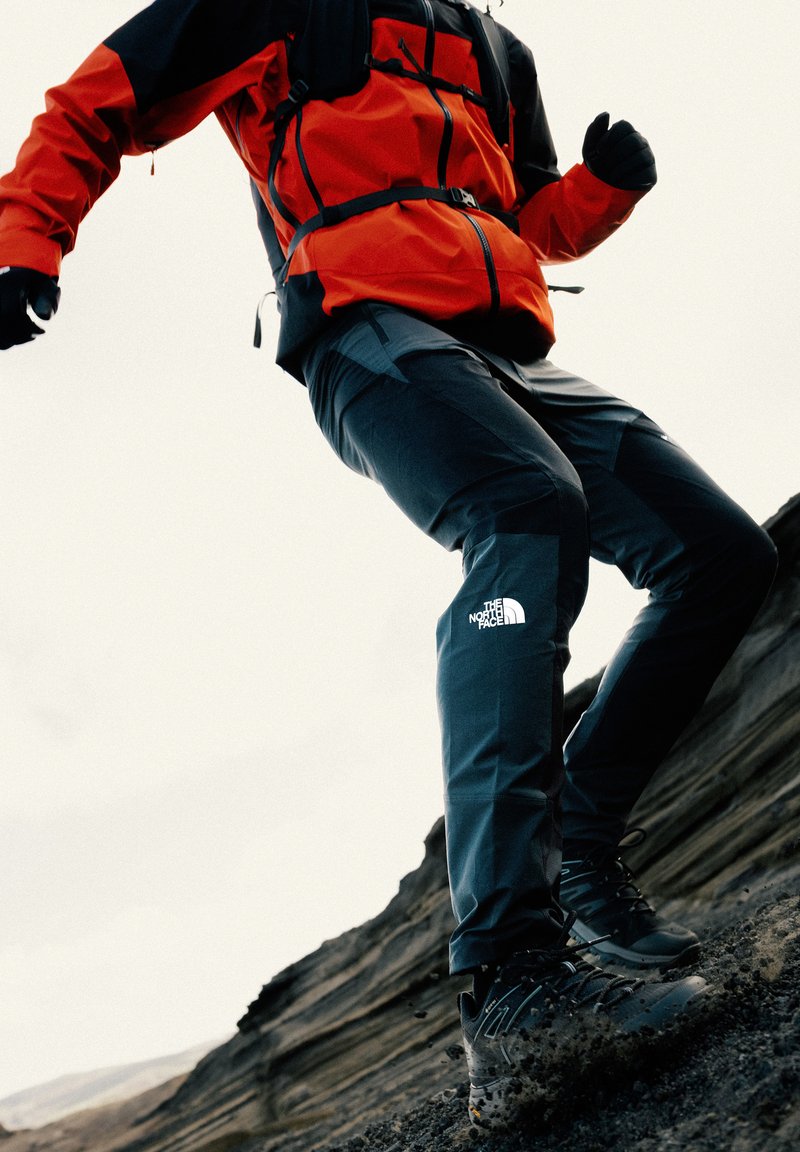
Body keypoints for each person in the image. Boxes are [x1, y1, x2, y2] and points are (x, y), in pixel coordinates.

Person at [0, 0, 778, 1128]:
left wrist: (603, 191)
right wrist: (26, 240)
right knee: (523, 512)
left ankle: (578, 847)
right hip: (369, 332)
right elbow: (96, 103)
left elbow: (528, 218)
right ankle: (510, 980)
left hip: (506, 353)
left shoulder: (496, 49)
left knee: (718, 554)